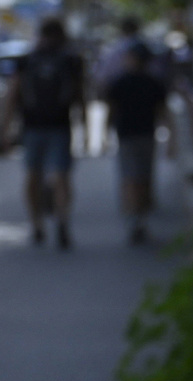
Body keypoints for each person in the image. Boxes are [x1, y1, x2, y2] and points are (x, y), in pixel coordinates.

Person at [2, 18, 84, 249]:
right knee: (61, 177)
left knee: (32, 176)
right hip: (60, 125)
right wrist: (87, 129)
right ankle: (62, 219)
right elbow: (81, 95)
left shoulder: (27, 59)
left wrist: (5, 129)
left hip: (32, 127)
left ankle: (37, 223)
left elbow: (12, 95)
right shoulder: (70, 59)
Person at [105, 45, 167, 243]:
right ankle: (138, 217)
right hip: (145, 135)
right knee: (143, 177)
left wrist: (105, 132)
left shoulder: (121, 82)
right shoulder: (152, 82)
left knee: (131, 178)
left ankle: (134, 217)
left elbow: (111, 109)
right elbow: (162, 111)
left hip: (129, 136)